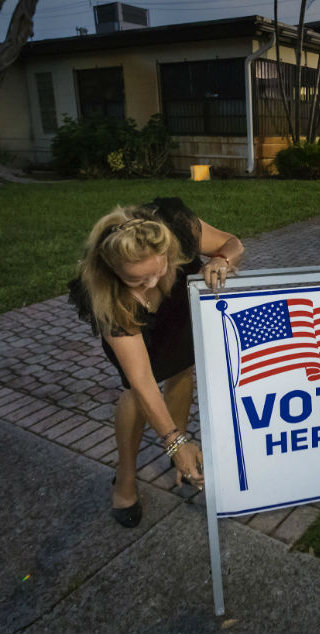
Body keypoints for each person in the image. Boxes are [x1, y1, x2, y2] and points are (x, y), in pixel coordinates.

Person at [69, 197, 244, 528]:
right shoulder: (106, 295)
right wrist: (174, 442)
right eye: (138, 280)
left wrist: (221, 260)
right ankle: (126, 475)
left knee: (180, 369)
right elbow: (143, 380)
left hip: (177, 305)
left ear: (167, 251)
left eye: (157, 271)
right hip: (131, 316)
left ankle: (178, 454)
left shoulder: (177, 227)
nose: (151, 285)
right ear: (114, 273)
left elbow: (231, 243)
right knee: (135, 391)